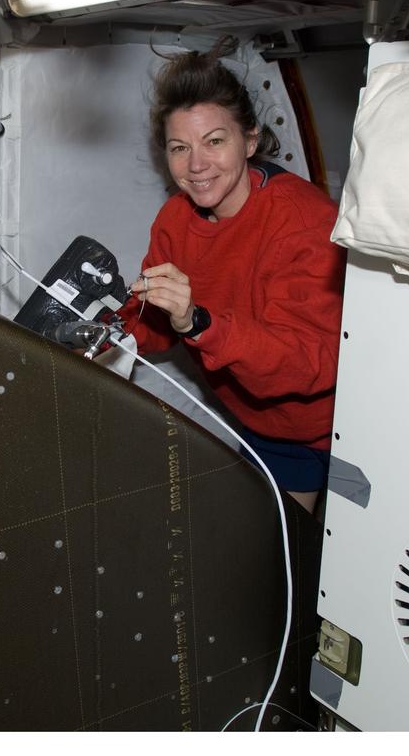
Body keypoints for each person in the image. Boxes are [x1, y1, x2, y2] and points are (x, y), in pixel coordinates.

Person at [120, 41, 346, 514]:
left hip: (327, 429)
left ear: (250, 141)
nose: (196, 165)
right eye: (180, 148)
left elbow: (305, 364)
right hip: (258, 422)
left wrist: (198, 323)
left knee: (324, 553)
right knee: (253, 543)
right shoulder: (175, 220)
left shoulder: (304, 222)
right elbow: (154, 321)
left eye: (214, 141)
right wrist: (105, 332)